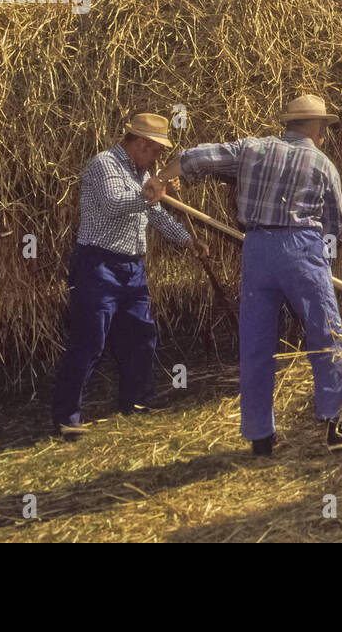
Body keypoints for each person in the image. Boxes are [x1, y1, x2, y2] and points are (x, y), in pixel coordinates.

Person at [146, 94, 342, 457]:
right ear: (315, 126)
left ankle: (260, 436)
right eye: (324, 126)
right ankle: (334, 424)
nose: (325, 133)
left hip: (257, 249)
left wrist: (161, 180)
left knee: (257, 343)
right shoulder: (323, 164)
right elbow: (335, 227)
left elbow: (194, 157)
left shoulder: (251, 148)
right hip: (302, 249)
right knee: (326, 336)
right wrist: (318, 260)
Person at [50, 113, 207, 440]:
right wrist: (153, 191)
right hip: (97, 265)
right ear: (142, 144)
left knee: (140, 334)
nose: (158, 159)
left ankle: (137, 399)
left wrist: (187, 241)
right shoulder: (104, 164)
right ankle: (67, 416)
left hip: (132, 267)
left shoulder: (143, 173)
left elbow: (156, 215)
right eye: (156, 151)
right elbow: (112, 204)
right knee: (90, 340)